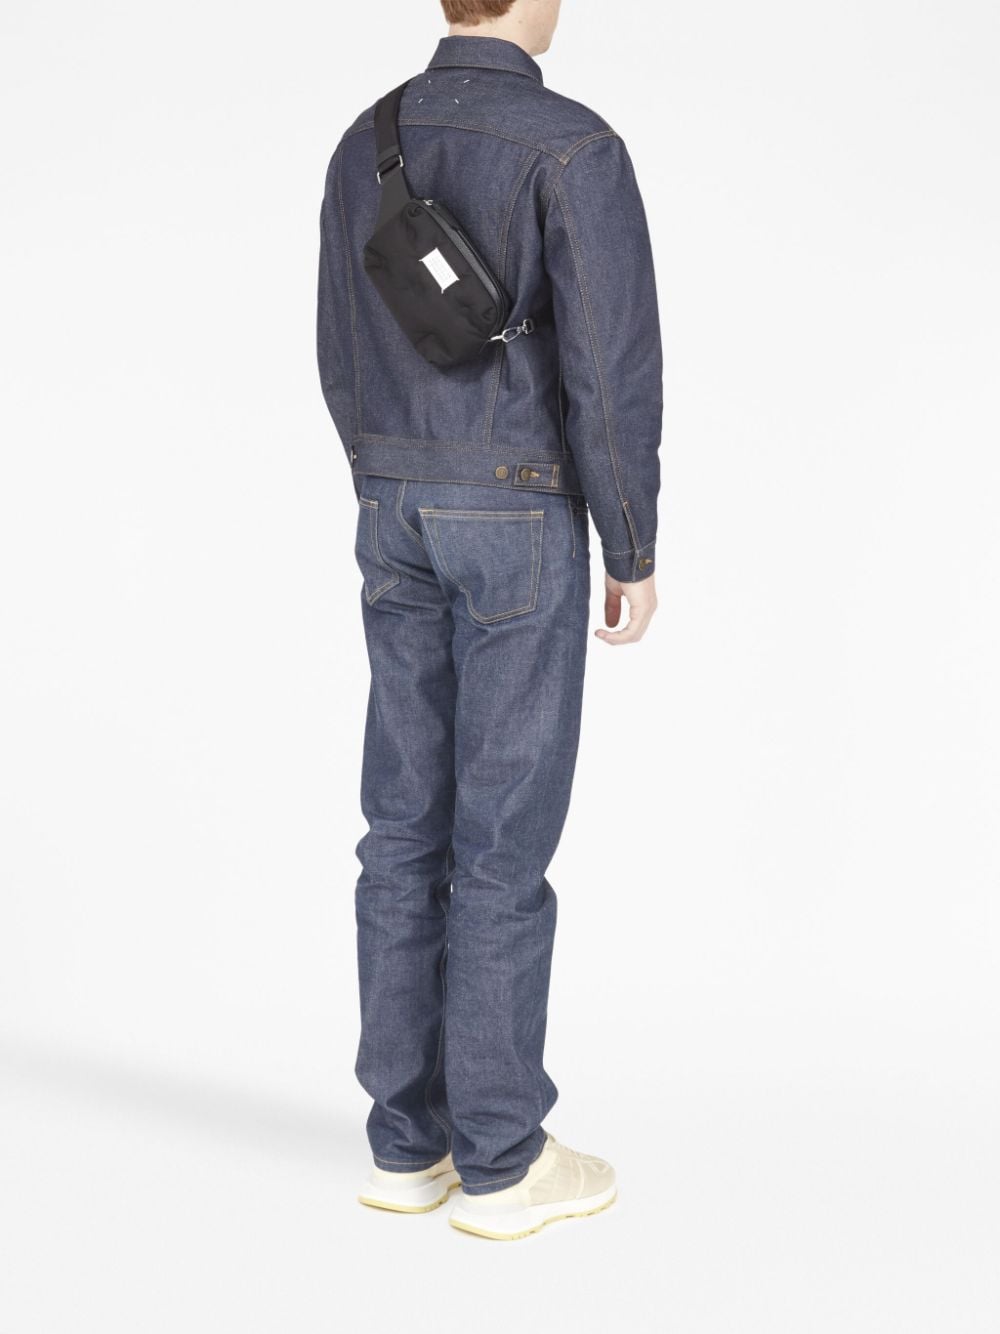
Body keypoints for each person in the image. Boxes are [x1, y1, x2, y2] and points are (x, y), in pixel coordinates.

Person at [316, 0, 662, 1241]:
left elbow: (339, 344)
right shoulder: (572, 147)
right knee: (501, 845)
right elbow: (610, 366)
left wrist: (384, 477)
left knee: (401, 827)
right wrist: (629, 540)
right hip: (516, 512)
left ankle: (407, 1147)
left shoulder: (366, 140)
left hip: (392, 504)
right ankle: (506, 1158)